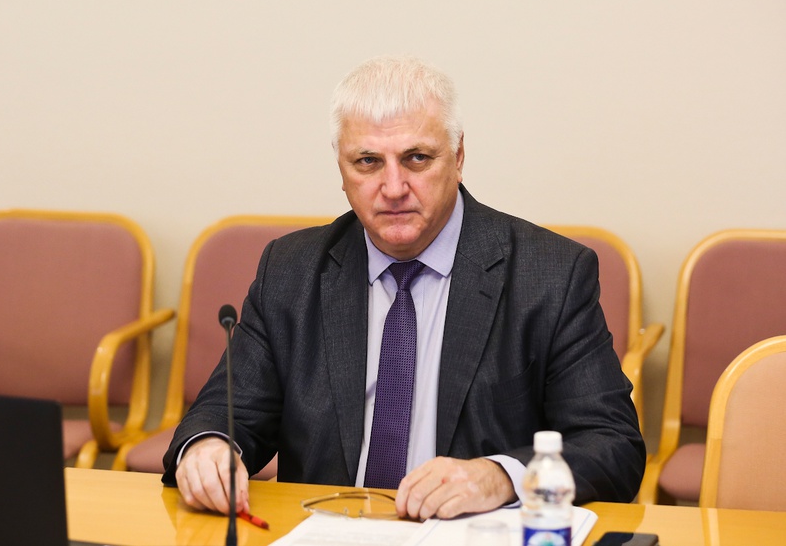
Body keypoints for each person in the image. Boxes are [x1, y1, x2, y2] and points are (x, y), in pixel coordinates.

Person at [162, 54, 645, 521]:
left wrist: (502, 477)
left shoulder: (549, 275)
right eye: (368, 161)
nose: (393, 188)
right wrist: (209, 448)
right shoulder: (291, 271)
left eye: (417, 158)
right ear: (340, 167)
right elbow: (226, 414)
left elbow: (611, 444)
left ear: (458, 155)